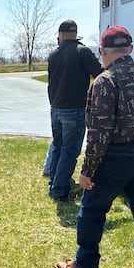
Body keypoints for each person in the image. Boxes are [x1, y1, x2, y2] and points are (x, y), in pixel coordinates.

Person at [56, 25, 134, 268]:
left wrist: (87, 171)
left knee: (92, 210)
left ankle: (85, 264)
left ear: (103, 52)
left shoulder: (105, 81)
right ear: (130, 49)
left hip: (116, 156)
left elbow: (98, 132)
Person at [46, 20, 103, 201]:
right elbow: (100, 74)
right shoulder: (82, 51)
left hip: (55, 108)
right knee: (70, 152)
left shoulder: (54, 54)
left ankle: (55, 181)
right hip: (74, 109)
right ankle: (60, 190)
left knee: (58, 147)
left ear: (61, 34)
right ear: (75, 34)